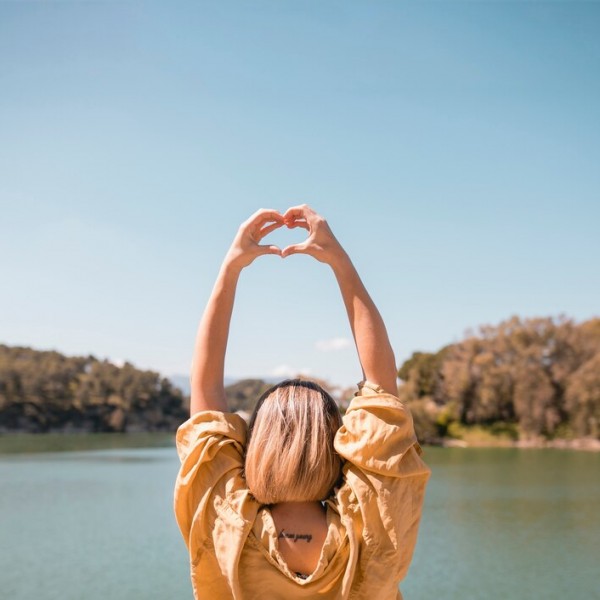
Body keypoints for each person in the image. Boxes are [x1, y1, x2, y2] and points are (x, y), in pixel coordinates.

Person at [174, 205, 430, 600]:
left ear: (256, 446)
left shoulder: (224, 522)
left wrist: (230, 269)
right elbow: (382, 386)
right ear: (335, 445)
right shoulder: (373, 522)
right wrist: (340, 263)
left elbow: (206, 396)